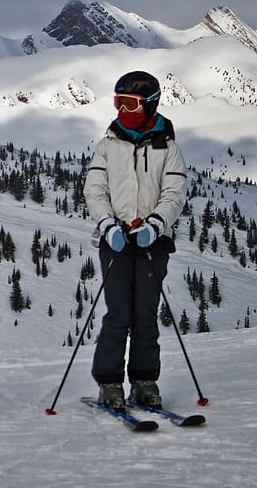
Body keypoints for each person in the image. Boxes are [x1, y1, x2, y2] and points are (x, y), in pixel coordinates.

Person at [83, 70, 187, 411]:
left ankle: (144, 380)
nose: (123, 110)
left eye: (130, 103)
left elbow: (175, 193)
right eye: (118, 103)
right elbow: (95, 190)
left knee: (145, 314)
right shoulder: (107, 146)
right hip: (115, 239)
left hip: (152, 242)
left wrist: (156, 225)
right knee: (118, 314)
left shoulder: (168, 149)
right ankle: (109, 383)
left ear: (150, 104)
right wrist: (108, 225)